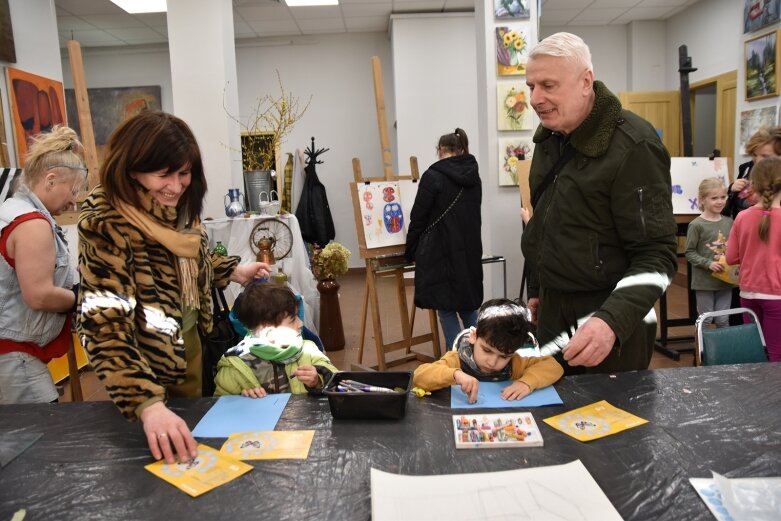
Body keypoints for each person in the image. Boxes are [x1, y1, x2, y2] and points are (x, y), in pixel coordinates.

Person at [77, 111, 270, 464]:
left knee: (202, 452)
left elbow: (193, 263)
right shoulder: (107, 223)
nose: (176, 186)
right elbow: (104, 326)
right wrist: (147, 404)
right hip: (147, 367)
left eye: (184, 174)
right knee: (158, 466)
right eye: (163, 175)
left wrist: (235, 271)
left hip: (193, 349)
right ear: (131, 168)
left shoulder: (180, 211)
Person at [520, 32, 677, 374]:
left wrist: (610, 322)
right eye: (531, 85)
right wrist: (538, 286)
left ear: (585, 82)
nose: (535, 98)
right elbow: (544, 222)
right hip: (551, 309)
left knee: (612, 423)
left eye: (548, 85)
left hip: (608, 321)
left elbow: (658, 255)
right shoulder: (549, 139)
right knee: (552, 413)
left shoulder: (635, 146)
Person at [0, 126, 85, 404]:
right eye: (72, 190)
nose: (74, 200)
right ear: (50, 180)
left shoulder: (11, 210)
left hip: (13, 352)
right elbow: (40, 295)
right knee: (45, 435)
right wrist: (83, 299)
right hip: (13, 354)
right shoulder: (32, 224)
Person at [405, 128, 482, 350]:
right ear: (461, 149)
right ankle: (482, 353)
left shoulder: (433, 176)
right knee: (467, 305)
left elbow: (418, 217)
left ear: (440, 150)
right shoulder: (473, 176)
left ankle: (459, 356)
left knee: (446, 307)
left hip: (439, 252)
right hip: (468, 250)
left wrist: (411, 250)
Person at [412, 298, 563, 404]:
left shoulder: (516, 363)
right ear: (473, 336)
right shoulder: (457, 359)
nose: (492, 362)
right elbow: (419, 376)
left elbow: (553, 366)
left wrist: (527, 383)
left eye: (504, 356)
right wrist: (455, 375)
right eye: (487, 350)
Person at [214, 282, 338, 396]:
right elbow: (220, 407)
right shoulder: (234, 368)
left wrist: (318, 381)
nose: (300, 323)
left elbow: (338, 381)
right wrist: (240, 400)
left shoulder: (308, 351)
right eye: (292, 320)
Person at [725, 156, 781, 362]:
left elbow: (730, 257)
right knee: (776, 355)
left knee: (754, 352)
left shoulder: (742, 217)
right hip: (777, 296)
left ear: (754, 184)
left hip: (748, 293)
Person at [685, 178, 734, 328]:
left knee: (723, 319)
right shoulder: (696, 225)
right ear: (702, 199)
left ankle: (722, 352)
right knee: (705, 320)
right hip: (704, 282)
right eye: (714, 198)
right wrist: (708, 263)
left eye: (722, 197)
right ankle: (702, 351)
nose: (719, 201)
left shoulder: (729, 222)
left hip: (725, 280)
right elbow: (689, 252)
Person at [724, 126, 781, 219]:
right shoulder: (746, 168)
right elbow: (729, 210)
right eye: (754, 155)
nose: (758, 161)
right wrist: (731, 190)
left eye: (765, 156)